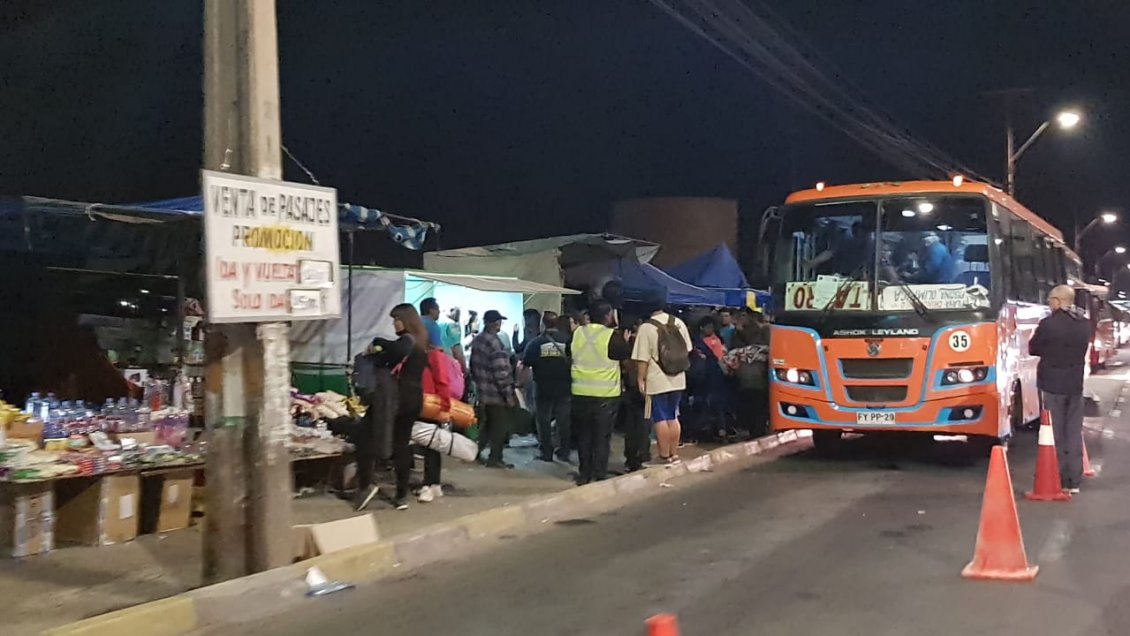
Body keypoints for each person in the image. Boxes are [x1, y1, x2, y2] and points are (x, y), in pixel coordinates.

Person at [1029, 284, 1093, 494]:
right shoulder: (1084, 324)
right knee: (1073, 430)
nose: (1049, 304)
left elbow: (1033, 348)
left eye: (1050, 300)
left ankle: (1056, 476)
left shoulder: (1048, 324)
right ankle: (1073, 480)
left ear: (1057, 300)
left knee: (1053, 431)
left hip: (1052, 384)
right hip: (1075, 384)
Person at [367, 303, 429, 510]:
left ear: (406, 320)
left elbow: (389, 356)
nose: (394, 323)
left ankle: (370, 484)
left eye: (396, 319)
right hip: (415, 398)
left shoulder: (406, 341)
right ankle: (402, 494)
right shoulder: (420, 341)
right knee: (402, 443)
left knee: (377, 438)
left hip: (399, 398)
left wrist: (375, 350)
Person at [570, 302, 632, 485]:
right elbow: (625, 354)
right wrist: (626, 340)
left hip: (580, 392)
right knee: (601, 436)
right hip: (605, 395)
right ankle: (599, 472)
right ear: (607, 316)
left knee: (584, 435)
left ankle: (584, 474)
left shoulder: (578, 333)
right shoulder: (611, 336)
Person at [633, 295, 693, 464]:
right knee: (673, 416)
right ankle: (674, 454)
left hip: (656, 380)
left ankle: (663, 455)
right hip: (678, 378)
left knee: (659, 418)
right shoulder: (678, 323)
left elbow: (642, 359)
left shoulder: (646, 328)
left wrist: (640, 379)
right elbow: (687, 349)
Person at [523, 313, 574, 462]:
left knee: (543, 421)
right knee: (563, 421)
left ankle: (546, 452)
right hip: (564, 387)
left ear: (542, 324)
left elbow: (526, 363)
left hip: (543, 388)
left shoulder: (536, 343)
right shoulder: (568, 341)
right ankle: (564, 451)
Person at [470, 310, 517, 468]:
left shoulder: (478, 340)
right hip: (496, 393)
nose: (499, 325)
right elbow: (501, 371)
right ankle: (495, 458)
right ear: (492, 323)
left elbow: (473, 366)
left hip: (483, 391)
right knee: (499, 427)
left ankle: (474, 453)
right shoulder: (495, 343)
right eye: (498, 322)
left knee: (487, 426)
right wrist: (509, 395)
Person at [418, 329, 454, 503]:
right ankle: (434, 484)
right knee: (431, 445)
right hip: (423, 405)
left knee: (431, 446)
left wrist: (445, 408)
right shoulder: (418, 354)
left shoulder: (434, 356)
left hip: (431, 406)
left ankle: (429, 484)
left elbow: (442, 382)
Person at [620, 319, 652, 471]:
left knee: (632, 425)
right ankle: (641, 455)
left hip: (631, 389)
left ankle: (632, 457)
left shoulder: (629, 347)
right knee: (643, 423)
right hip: (646, 389)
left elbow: (625, 366)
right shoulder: (649, 346)